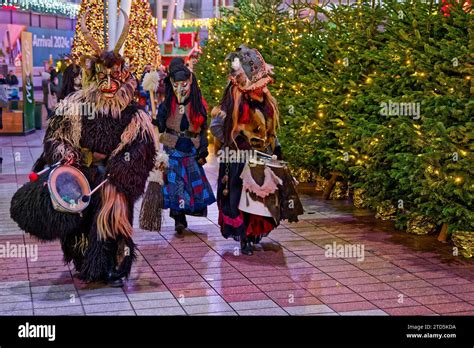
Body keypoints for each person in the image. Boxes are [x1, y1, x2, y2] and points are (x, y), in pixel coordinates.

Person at [11, 11, 156, 287]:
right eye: (103, 77)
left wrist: (119, 170)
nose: (109, 85)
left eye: (115, 77)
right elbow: (54, 137)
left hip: (112, 182)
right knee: (79, 226)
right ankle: (86, 265)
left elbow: (142, 150)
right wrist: (65, 152)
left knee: (111, 223)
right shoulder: (75, 106)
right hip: (80, 176)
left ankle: (115, 267)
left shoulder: (135, 116)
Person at [210, 45, 303, 255]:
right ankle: (243, 238)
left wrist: (276, 149)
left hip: (261, 158)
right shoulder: (232, 102)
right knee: (238, 198)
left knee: (259, 200)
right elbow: (216, 127)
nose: (263, 88)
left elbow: (270, 130)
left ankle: (252, 235)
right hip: (238, 161)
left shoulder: (266, 102)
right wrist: (238, 139)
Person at [153, 57, 216, 235]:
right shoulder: (168, 103)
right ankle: (178, 217)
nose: (180, 87)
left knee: (190, 183)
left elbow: (203, 127)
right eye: (177, 83)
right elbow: (161, 124)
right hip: (172, 147)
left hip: (191, 147)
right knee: (175, 183)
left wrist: (203, 148)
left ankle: (189, 210)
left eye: (184, 83)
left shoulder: (197, 102)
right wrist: (158, 120)